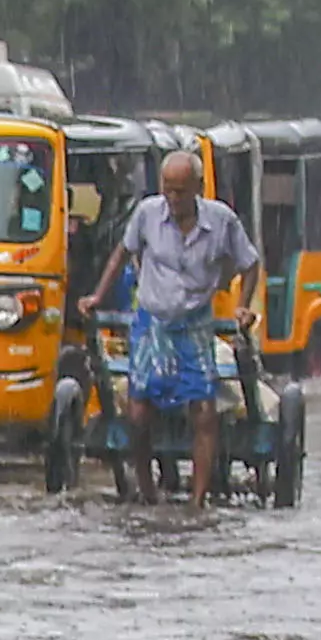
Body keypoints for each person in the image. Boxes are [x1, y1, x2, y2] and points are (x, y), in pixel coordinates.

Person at [89, 147, 257, 495]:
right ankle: (147, 490)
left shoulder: (222, 222)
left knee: (204, 411)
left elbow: (249, 263)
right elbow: (122, 253)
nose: (173, 198)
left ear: (199, 186)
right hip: (151, 323)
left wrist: (243, 305)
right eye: (168, 188)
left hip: (195, 324)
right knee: (138, 412)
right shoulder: (148, 213)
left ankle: (198, 499)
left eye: (181, 190)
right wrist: (97, 296)